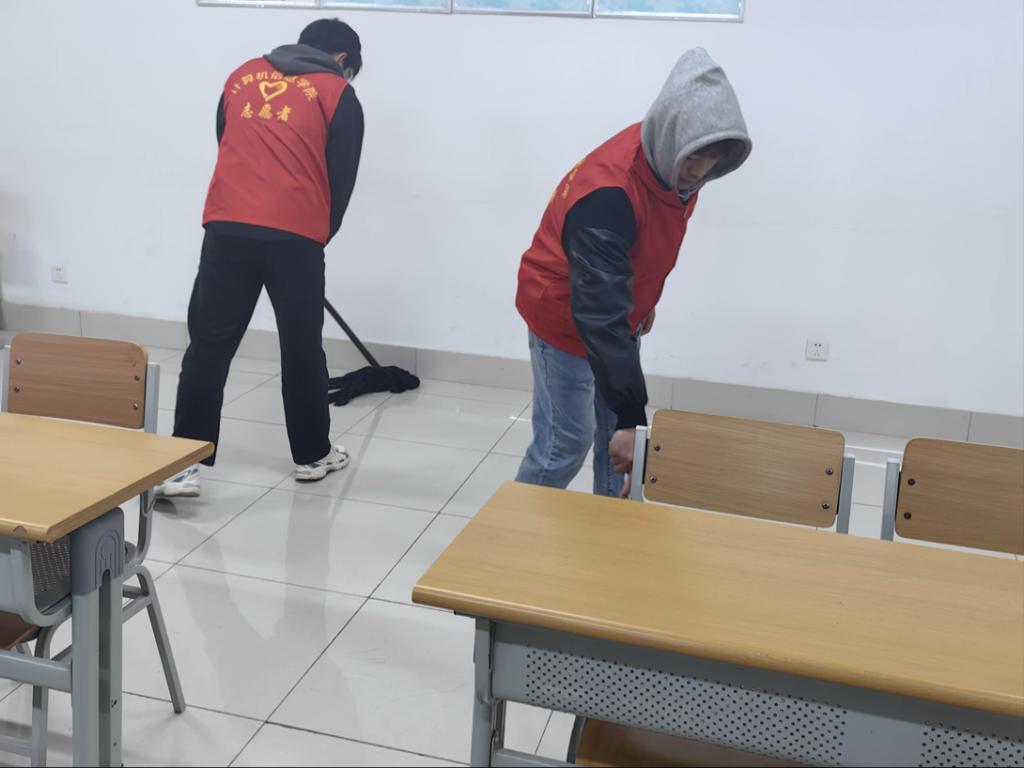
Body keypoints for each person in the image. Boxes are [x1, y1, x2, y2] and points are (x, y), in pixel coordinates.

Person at [515, 48, 752, 498]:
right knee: (564, 445)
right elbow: (599, 316)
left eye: (709, 160)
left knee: (622, 448)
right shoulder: (608, 194)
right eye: (691, 157)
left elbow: (642, 244)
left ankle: (611, 533)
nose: (696, 170)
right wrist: (630, 417)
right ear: (669, 133)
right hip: (563, 315)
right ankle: (511, 531)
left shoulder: (672, 166)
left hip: (610, 308)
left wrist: (644, 300)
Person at [157, 19, 364, 497]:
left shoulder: (242, 75)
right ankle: (312, 455)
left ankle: (181, 468)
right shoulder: (338, 92)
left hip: (227, 225)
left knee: (208, 346)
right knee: (301, 347)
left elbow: (226, 139)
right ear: (341, 60)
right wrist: (317, 235)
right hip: (296, 236)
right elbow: (341, 179)